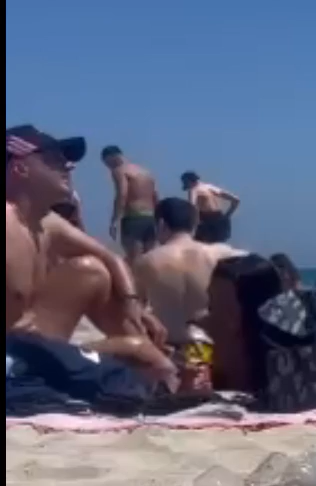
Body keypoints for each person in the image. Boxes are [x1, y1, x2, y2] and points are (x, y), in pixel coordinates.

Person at [6, 126, 171, 382]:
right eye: (54, 161)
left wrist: (134, 307)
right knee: (135, 354)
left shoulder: (46, 222)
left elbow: (111, 258)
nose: (69, 167)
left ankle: (146, 350)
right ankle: (143, 357)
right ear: (20, 169)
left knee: (91, 270)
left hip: (33, 346)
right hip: (13, 361)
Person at [128, 197, 220, 343]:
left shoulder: (146, 261)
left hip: (170, 347)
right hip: (212, 347)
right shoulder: (220, 256)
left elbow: (132, 309)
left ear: (161, 224)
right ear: (195, 225)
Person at [101, 145, 159, 259]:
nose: (108, 168)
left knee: (134, 261)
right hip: (150, 218)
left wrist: (114, 220)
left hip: (133, 219)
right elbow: (155, 195)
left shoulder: (119, 170)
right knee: (149, 259)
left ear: (112, 158)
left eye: (107, 164)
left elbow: (122, 194)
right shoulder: (146, 172)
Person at [182, 171, 240, 245]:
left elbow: (192, 207)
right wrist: (227, 216)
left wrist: (193, 226)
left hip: (206, 221)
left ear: (188, 181)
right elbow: (236, 200)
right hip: (220, 219)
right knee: (219, 248)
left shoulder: (194, 190)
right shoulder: (210, 187)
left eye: (185, 182)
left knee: (201, 247)